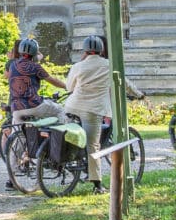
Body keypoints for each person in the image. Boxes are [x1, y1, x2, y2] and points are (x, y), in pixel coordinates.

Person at [17, 34, 114, 163]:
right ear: (101, 50)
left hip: (68, 106)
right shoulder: (109, 65)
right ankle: (95, 181)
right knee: (92, 146)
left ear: (84, 50)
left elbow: (69, 87)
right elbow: (123, 82)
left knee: (67, 130)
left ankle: (65, 155)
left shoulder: (78, 66)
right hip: (93, 110)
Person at [5, 36, 67, 176]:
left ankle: (12, 176)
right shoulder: (35, 67)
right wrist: (67, 86)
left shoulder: (13, 65)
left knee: (18, 139)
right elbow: (53, 81)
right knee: (60, 111)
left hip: (16, 108)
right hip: (34, 105)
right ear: (35, 52)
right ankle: (58, 149)